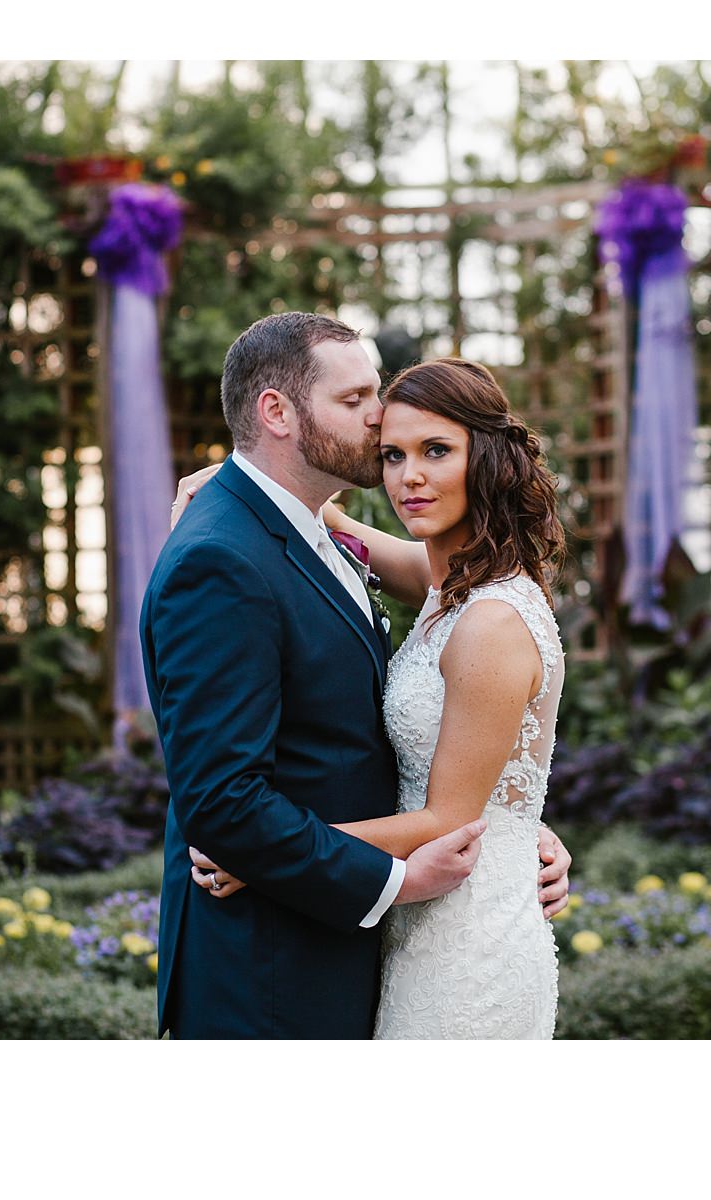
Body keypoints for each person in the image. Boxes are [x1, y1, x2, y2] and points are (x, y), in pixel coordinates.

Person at [142, 313, 571, 1039]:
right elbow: (225, 804)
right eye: (357, 402)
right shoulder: (228, 556)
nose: (379, 427)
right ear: (275, 412)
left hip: (442, 944)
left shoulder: (458, 590)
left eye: (434, 449)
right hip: (272, 976)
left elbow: (454, 775)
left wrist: (511, 820)